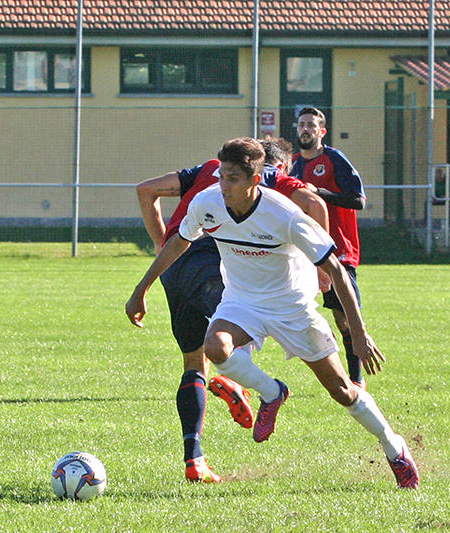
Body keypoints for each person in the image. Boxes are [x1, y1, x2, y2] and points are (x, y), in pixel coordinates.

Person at [127, 138, 418, 489]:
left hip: (291, 307)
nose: (223, 185)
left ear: (254, 180)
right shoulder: (208, 203)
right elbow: (177, 242)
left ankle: (394, 447)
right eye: (221, 176)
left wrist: (358, 332)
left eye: (232, 179)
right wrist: (141, 289)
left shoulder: (283, 214)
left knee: (343, 390)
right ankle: (272, 392)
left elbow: (337, 271)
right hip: (242, 301)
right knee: (216, 349)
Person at [135, 140, 329, 483]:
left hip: (174, 269)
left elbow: (146, 189)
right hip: (212, 263)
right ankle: (233, 378)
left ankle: (194, 458)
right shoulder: (268, 179)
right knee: (245, 316)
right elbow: (312, 203)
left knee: (194, 362)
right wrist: (321, 268)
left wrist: (160, 243)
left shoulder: (206, 170)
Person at [289, 107, 368, 387]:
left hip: (338, 249)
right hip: (304, 252)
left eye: (311, 125)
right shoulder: (294, 163)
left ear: (322, 131)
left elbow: (358, 200)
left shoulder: (334, 159)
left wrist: (320, 193)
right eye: (302, 124)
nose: (306, 129)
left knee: (344, 315)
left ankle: (356, 378)